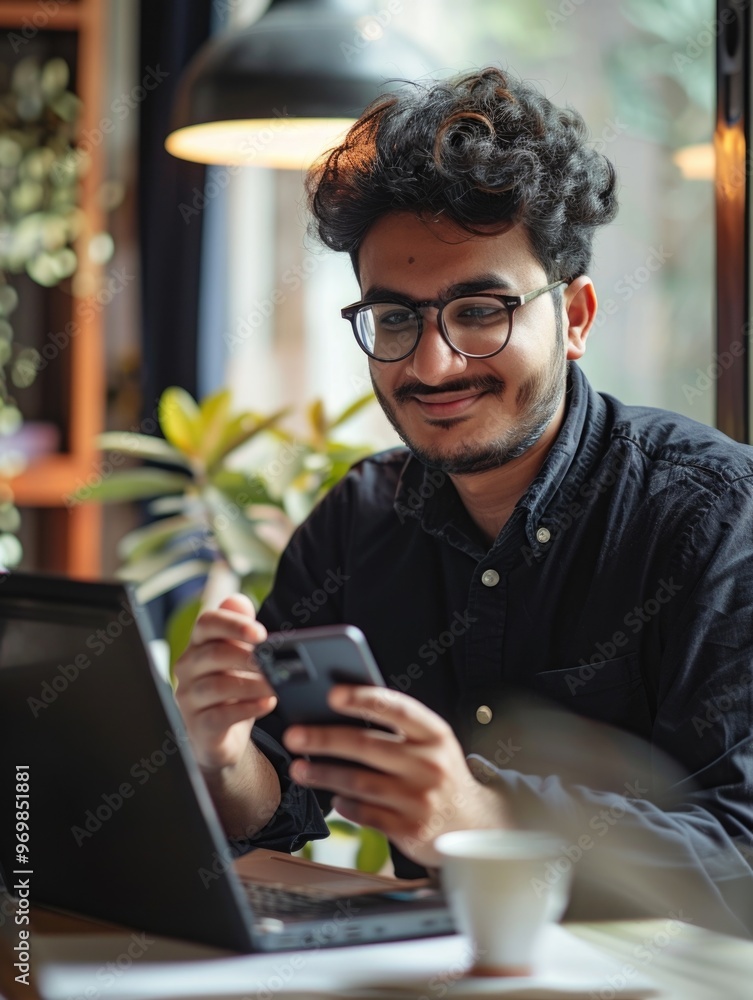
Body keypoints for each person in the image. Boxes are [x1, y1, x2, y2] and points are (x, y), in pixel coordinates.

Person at [174, 67, 753, 934]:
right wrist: (221, 755)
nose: (432, 365)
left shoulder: (714, 516)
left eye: (480, 310)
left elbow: (738, 862)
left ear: (577, 316)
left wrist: (480, 819)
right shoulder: (358, 520)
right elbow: (281, 801)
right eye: (396, 318)